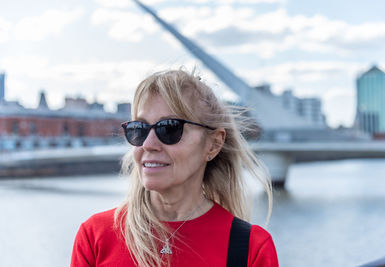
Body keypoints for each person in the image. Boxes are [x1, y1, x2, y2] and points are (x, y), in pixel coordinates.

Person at [71, 69, 278, 267]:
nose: (148, 144)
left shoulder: (251, 249)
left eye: (169, 128)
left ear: (214, 144)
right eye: (139, 129)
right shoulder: (95, 237)